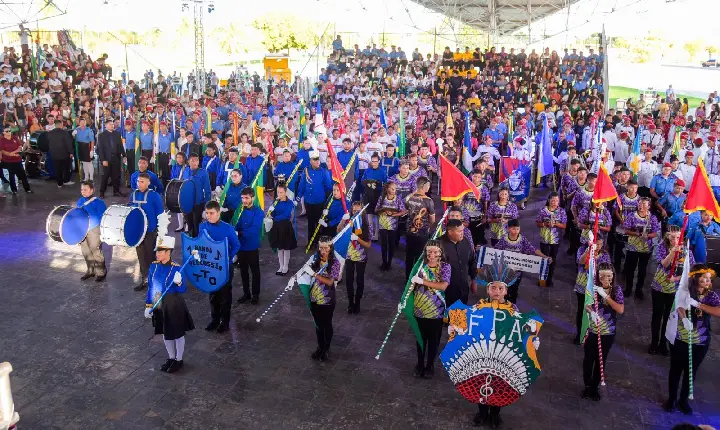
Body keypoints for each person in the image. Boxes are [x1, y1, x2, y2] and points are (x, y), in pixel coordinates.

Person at [663, 265, 720, 415]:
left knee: (691, 371)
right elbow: (679, 306)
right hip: (681, 338)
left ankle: (683, 400)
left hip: (700, 341)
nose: (708, 281)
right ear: (696, 278)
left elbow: (718, 311)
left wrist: (699, 305)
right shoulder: (685, 291)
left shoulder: (711, 295)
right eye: (704, 278)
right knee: (675, 370)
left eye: (709, 279)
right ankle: (672, 399)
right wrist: (684, 318)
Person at [143, 232, 194, 374]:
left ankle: (179, 359)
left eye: (160, 252)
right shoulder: (154, 266)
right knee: (166, 332)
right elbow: (151, 287)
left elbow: (183, 289)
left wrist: (179, 282)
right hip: (158, 302)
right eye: (157, 251)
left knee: (177, 333)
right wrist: (148, 305)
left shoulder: (176, 268)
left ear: (168, 252)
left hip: (173, 303)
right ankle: (171, 357)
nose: (157, 254)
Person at [581, 263, 624, 401]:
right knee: (588, 359)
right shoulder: (592, 287)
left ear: (613, 276)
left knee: (600, 359)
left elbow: (620, 309)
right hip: (592, 329)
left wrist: (605, 296)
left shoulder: (616, 290)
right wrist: (591, 312)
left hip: (608, 332)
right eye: (602, 275)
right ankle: (587, 385)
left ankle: (595, 387)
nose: (606, 278)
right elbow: (587, 304)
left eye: (609, 276)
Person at [649, 226, 695, 356]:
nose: (675, 240)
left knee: (670, 317)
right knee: (657, 315)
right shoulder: (661, 247)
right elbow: (664, 264)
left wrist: (676, 278)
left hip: (676, 290)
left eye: (678, 237)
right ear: (667, 236)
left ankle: (664, 343)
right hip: (659, 287)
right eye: (672, 237)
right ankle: (654, 342)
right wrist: (672, 253)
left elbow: (691, 272)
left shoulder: (687, 252)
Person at [410, 239, 450, 378]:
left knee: (433, 340)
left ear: (440, 253)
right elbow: (410, 286)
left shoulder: (445, 267)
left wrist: (423, 281)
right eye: (429, 251)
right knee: (420, 339)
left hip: (436, 310)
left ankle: (430, 365)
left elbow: (443, 286)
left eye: (435, 251)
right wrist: (404, 300)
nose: (432, 254)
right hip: (419, 308)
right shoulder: (419, 266)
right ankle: (419, 364)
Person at [199, 200, 241, 333]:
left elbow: (236, 245)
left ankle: (225, 322)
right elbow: (200, 243)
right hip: (210, 267)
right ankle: (214, 319)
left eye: (211, 213)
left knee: (225, 295)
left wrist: (228, 257)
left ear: (218, 213)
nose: (208, 216)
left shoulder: (227, 228)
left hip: (224, 268)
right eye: (207, 213)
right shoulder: (202, 227)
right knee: (213, 294)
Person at [301, 235, 342, 361]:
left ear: (331, 248)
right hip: (314, 298)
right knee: (318, 325)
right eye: (320, 248)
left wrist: (313, 273)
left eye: (325, 248)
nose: (322, 250)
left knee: (326, 324)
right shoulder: (316, 259)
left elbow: (330, 282)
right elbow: (305, 273)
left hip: (327, 299)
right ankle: (320, 347)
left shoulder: (335, 263)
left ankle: (326, 348)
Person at [496, 218, 551, 303]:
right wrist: (483, 250)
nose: (516, 231)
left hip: (518, 271)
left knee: (515, 288)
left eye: (517, 229)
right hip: (505, 270)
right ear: (508, 229)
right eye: (513, 229)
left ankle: (512, 306)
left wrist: (544, 256)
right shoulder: (504, 239)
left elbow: (533, 249)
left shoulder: (522, 239)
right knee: (505, 289)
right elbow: (495, 251)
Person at [129, 173, 164, 291]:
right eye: (138, 181)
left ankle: (156, 281)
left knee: (152, 256)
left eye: (142, 181)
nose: (139, 184)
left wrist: (161, 232)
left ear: (148, 182)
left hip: (150, 231)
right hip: (138, 232)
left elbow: (161, 214)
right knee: (141, 256)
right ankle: (144, 279)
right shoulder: (133, 194)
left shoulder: (154, 196)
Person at [574, 234, 611, 344]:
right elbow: (580, 262)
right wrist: (588, 252)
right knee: (581, 310)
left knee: (594, 311)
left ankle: (591, 333)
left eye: (600, 244)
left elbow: (606, 270)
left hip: (596, 287)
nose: (599, 246)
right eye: (597, 244)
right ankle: (579, 333)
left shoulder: (605, 255)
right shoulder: (582, 249)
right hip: (583, 285)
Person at [622, 197, 660, 300]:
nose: (641, 206)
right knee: (630, 268)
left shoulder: (652, 218)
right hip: (632, 247)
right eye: (640, 204)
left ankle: (639, 290)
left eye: (644, 204)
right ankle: (628, 289)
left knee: (642, 270)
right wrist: (637, 234)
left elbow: (655, 232)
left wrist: (647, 236)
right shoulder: (631, 216)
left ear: (649, 206)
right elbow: (626, 230)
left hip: (646, 248)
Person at [339, 201, 371, 314]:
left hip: (361, 257)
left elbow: (368, 245)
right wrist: (343, 220)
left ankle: (357, 303)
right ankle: (350, 303)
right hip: (349, 256)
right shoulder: (349, 223)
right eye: (354, 210)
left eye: (358, 211)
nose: (356, 212)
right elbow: (338, 231)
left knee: (359, 281)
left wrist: (357, 239)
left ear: (362, 212)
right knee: (349, 280)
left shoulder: (366, 225)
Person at [296, 150, 333, 246]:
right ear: (310, 161)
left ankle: (320, 243)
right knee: (311, 223)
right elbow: (302, 185)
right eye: (315, 160)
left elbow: (328, 188)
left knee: (320, 223)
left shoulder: (323, 172)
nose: (317, 162)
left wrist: (327, 203)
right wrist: (298, 197)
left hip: (320, 202)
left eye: (318, 160)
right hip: (309, 201)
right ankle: (311, 242)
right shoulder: (306, 170)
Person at [235, 187, 264, 305]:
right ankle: (246, 293)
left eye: (246, 198)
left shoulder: (258, 212)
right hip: (241, 246)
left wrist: (240, 233)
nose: (244, 200)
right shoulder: (240, 210)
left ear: (253, 197)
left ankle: (255, 294)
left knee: (255, 272)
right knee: (243, 272)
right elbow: (235, 223)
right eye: (242, 198)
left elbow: (255, 229)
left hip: (251, 246)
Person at [404, 176, 436, 280]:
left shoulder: (409, 197)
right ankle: (417, 279)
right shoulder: (428, 201)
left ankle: (408, 278)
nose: (429, 187)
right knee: (420, 258)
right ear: (423, 186)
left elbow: (406, 211)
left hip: (409, 232)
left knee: (409, 256)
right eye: (428, 185)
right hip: (422, 234)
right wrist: (428, 227)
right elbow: (432, 220)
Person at [439, 219, 476, 307]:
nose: (462, 233)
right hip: (446, 291)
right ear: (450, 232)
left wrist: (474, 280)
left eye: (462, 230)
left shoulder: (466, 242)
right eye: (459, 231)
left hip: (463, 288)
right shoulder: (438, 245)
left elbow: (472, 261)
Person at [77, 181, 107, 282]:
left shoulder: (99, 202)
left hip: (94, 229)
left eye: (85, 189)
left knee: (95, 250)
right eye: (82, 189)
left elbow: (103, 218)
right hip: (83, 229)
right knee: (85, 250)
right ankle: (90, 270)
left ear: (92, 190)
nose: (83, 191)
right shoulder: (80, 201)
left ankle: (101, 272)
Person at [535, 192, 567, 286]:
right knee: (544, 258)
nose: (554, 202)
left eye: (557, 200)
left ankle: (550, 278)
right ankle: (542, 279)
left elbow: (564, 225)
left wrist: (556, 224)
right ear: (549, 200)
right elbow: (538, 223)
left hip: (556, 240)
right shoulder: (543, 211)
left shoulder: (561, 211)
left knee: (553, 258)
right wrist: (546, 224)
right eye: (553, 200)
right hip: (544, 238)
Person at [267, 183, 297, 275]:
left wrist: (274, 218)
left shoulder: (290, 203)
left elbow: (286, 214)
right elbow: (273, 213)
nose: (279, 195)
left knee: (286, 247)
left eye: (281, 192)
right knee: (280, 248)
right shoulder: (276, 202)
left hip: (285, 226)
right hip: (277, 227)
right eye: (278, 192)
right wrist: (271, 212)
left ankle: (286, 266)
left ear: (285, 192)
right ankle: (281, 266)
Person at [375, 181, 406, 271]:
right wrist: (382, 211)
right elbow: (376, 209)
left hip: (393, 226)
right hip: (382, 225)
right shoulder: (382, 198)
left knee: (391, 245)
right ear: (387, 189)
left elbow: (403, 211)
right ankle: (384, 262)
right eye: (392, 188)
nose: (394, 190)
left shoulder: (397, 199)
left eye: (395, 189)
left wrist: (394, 214)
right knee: (384, 245)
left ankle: (389, 262)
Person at [97, 118, 125, 197]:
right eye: (110, 124)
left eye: (113, 124)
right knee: (105, 176)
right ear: (105, 126)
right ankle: (102, 192)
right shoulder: (101, 135)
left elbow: (120, 146)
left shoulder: (117, 134)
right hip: (107, 159)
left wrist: (124, 155)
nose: (112, 125)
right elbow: (100, 149)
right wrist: (103, 160)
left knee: (116, 176)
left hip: (116, 158)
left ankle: (116, 191)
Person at [0, 127, 32, 194]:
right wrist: (10, 154)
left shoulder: (14, 137)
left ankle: (27, 189)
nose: (9, 132)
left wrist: (14, 152)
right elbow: (2, 150)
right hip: (8, 161)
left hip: (17, 159)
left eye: (9, 131)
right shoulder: (2, 140)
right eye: (7, 131)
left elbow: (20, 146)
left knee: (23, 175)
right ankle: (14, 190)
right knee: (11, 175)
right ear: (3, 133)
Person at [186, 154, 211, 237]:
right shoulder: (185, 171)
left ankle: (197, 243)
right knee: (189, 223)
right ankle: (190, 242)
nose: (195, 162)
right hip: (188, 203)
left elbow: (207, 190)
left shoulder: (203, 173)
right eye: (192, 160)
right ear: (188, 161)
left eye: (197, 160)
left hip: (198, 203)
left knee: (197, 224)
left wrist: (206, 207)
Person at [45, 120, 74, 187]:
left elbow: (48, 143)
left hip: (54, 154)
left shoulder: (50, 133)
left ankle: (59, 183)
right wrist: (71, 152)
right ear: (61, 124)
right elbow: (68, 143)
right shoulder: (64, 132)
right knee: (66, 168)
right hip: (64, 154)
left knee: (57, 169)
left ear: (55, 125)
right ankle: (66, 181)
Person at [170, 152, 192, 231]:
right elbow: (172, 177)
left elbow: (187, 178)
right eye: (177, 157)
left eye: (180, 157)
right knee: (177, 208)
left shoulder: (187, 167)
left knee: (185, 208)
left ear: (184, 158)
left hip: (184, 189)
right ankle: (180, 225)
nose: (179, 159)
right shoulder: (174, 167)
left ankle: (187, 225)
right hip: (176, 188)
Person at [73, 117, 95, 182]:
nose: (82, 124)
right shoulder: (77, 129)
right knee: (84, 163)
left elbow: (92, 141)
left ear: (85, 123)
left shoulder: (89, 130)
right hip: (80, 147)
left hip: (87, 147)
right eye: (81, 123)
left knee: (89, 163)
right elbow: (75, 139)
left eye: (84, 122)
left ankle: (91, 178)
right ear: (79, 123)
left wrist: (92, 150)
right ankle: (86, 177)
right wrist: (73, 135)